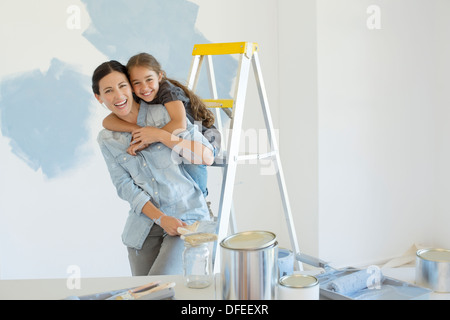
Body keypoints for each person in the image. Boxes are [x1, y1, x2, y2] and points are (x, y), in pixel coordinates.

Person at [92, 60, 215, 276]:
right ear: (99, 97)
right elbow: (124, 186)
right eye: (108, 91)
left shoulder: (165, 114)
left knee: (156, 289)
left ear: (131, 86)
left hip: (186, 218)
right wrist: (160, 218)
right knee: (142, 293)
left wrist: (160, 135)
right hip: (143, 227)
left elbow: (206, 156)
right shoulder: (107, 138)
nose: (118, 96)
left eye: (122, 86)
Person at [102, 53, 219, 198]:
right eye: (136, 83)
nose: (144, 87)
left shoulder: (167, 91)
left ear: (159, 76)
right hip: (176, 137)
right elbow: (107, 121)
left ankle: (201, 198)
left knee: (189, 160)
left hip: (204, 139)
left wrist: (149, 139)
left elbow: (179, 124)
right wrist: (138, 131)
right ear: (131, 86)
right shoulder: (138, 95)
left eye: (149, 80)